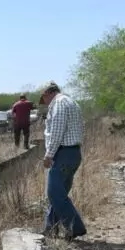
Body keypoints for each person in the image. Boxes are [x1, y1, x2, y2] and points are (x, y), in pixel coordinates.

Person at [40, 81, 86, 241]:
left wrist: (49, 155)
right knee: (59, 193)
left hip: (63, 154)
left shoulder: (58, 104)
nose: (44, 101)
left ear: (48, 93)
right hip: (73, 153)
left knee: (54, 194)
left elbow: (57, 133)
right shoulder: (71, 102)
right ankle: (50, 228)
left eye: (43, 98)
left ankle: (76, 227)